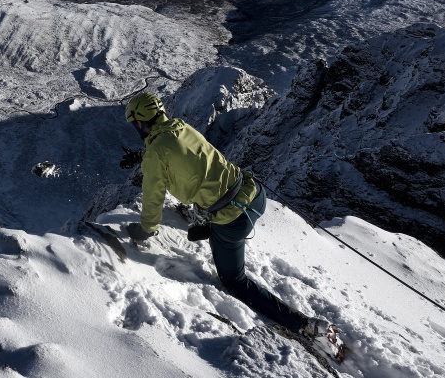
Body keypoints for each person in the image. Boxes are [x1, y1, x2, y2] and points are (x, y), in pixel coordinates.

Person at [122, 92, 331, 340]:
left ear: (141, 120)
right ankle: (199, 215)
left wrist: (144, 229)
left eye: (135, 123)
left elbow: (153, 198)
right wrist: (143, 155)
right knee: (204, 202)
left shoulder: (156, 153)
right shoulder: (180, 126)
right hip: (253, 192)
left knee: (235, 281)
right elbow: (178, 152)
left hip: (232, 219)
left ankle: (303, 325)